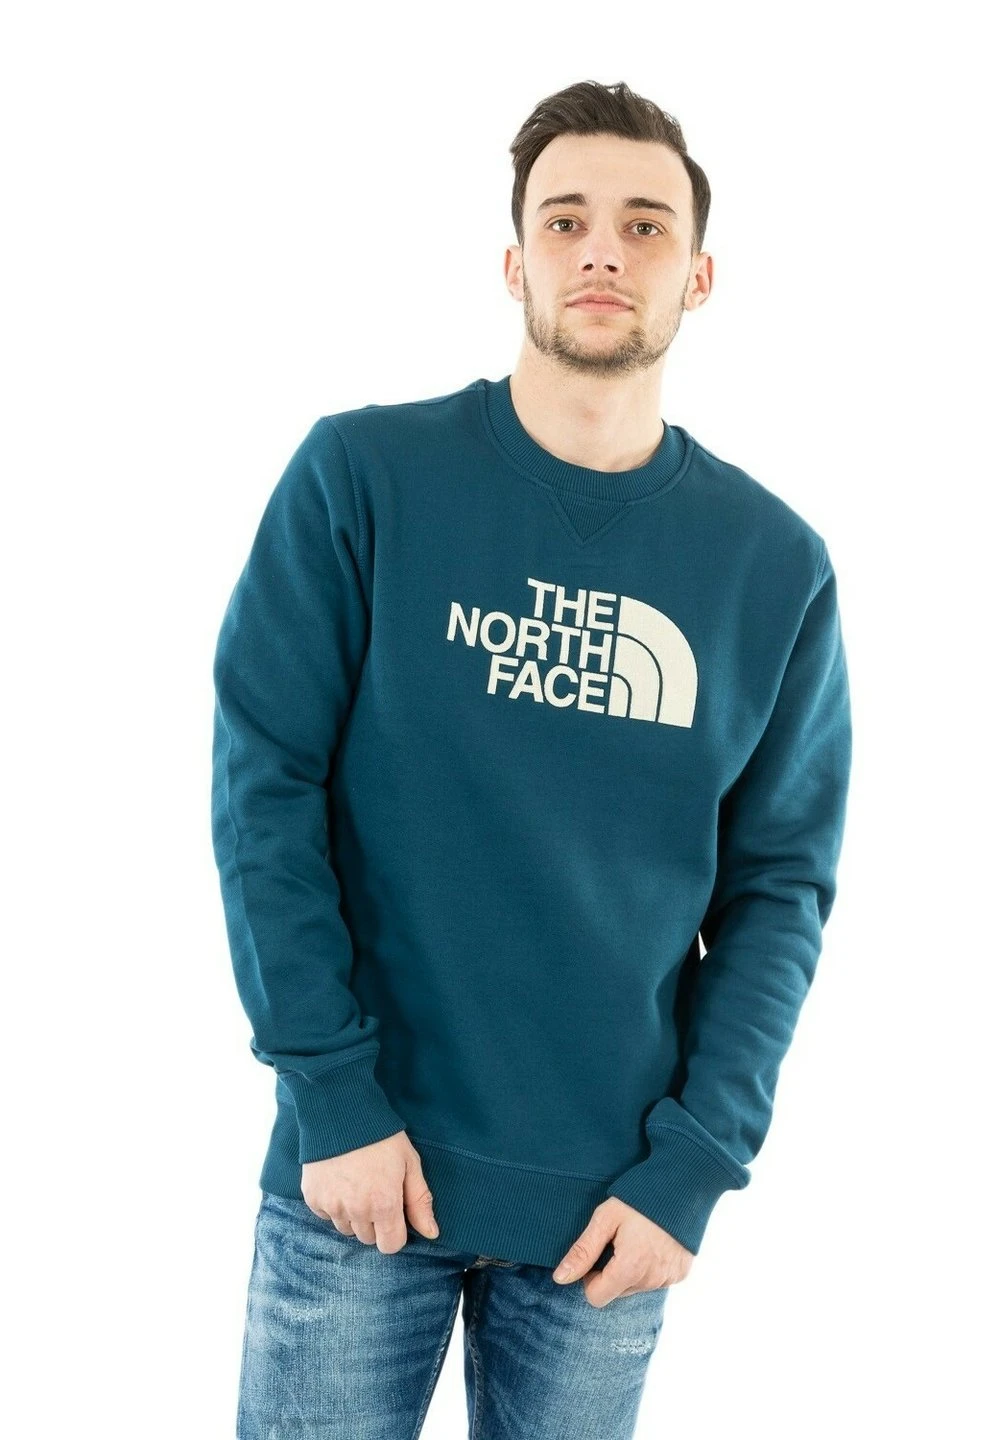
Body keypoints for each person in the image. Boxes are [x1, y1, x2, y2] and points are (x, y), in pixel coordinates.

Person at [211, 78, 853, 1440]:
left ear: (700, 277)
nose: (602, 250)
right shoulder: (363, 478)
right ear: (515, 263)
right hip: (360, 1180)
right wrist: (330, 1093)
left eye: (645, 225)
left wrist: (694, 1167)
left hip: (607, 1217)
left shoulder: (773, 568)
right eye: (564, 221)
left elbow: (779, 893)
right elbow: (265, 789)